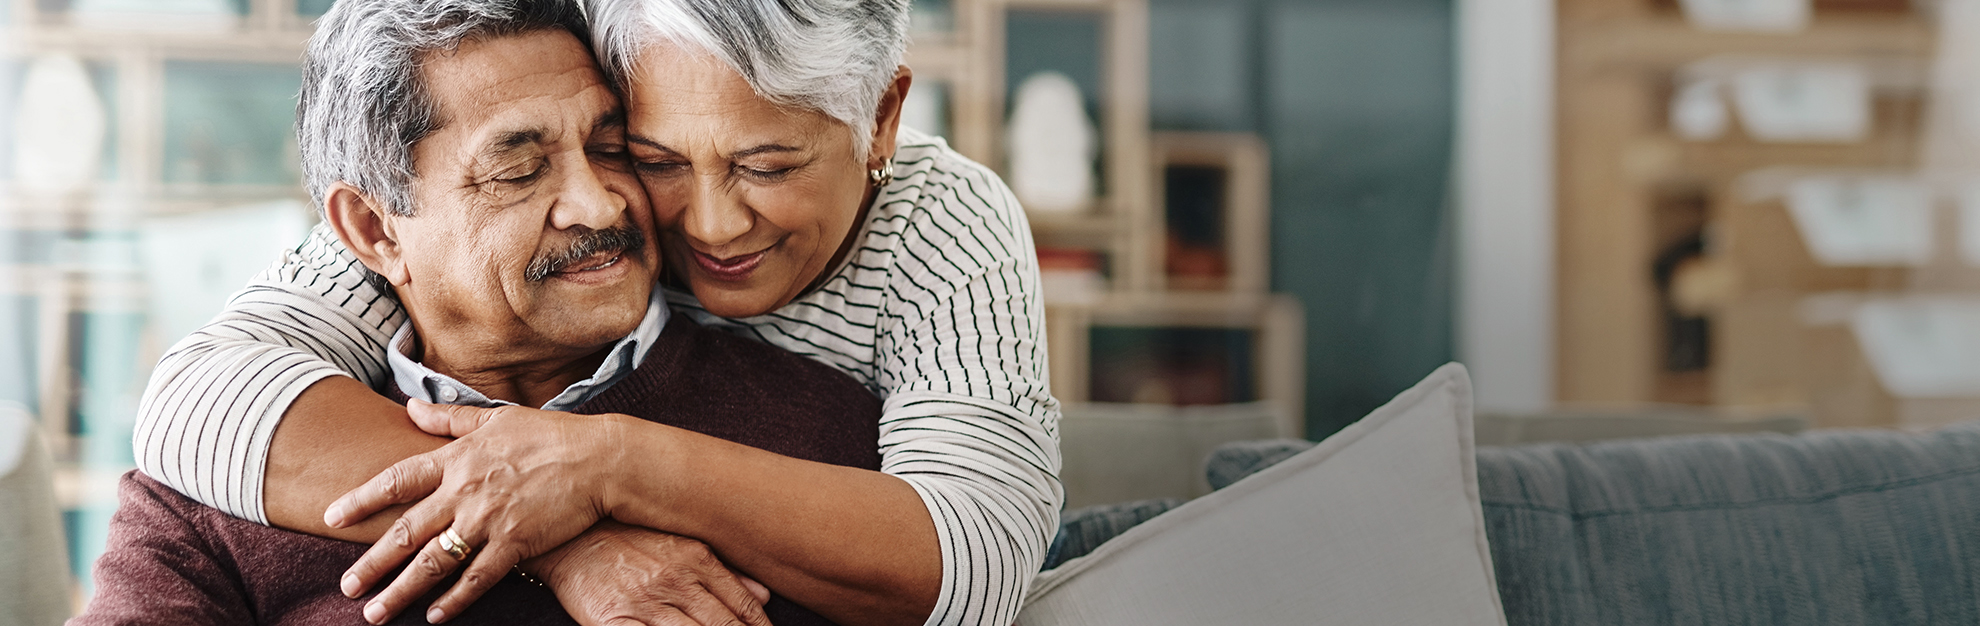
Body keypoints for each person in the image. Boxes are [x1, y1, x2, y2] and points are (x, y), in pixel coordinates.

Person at [134, 0, 1062, 624]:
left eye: (767, 165)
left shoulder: (933, 237)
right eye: (652, 156)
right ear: (376, 231)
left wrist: (609, 462)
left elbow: (974, 552)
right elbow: (197, 398)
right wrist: (569, 529)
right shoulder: (358, 311)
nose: (706, 223)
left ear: (883, 122)